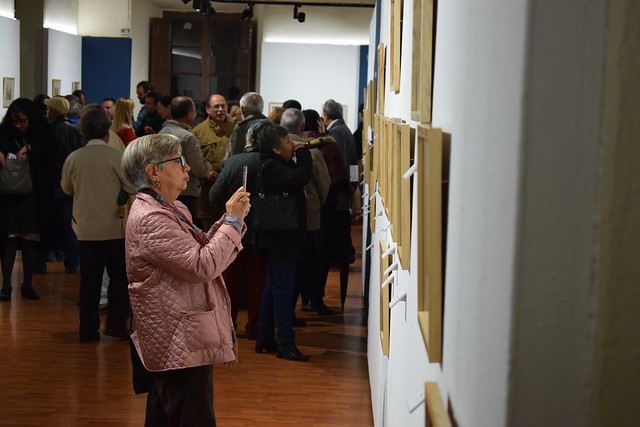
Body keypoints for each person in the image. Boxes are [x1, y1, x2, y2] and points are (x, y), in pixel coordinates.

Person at [122, 133, 250, 425]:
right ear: (153, 172)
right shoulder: (152, 218)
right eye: (178, 160)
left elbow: (201, 249)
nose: (187, 167)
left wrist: (230, 219)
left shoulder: (171, 208)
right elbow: (202, 266)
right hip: (177, 337)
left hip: (180, 334)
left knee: (168, 415)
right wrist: (232, 221)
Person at [61, 109, 135, 343]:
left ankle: (87, 329)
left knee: (89, 281)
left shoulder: (74, 158)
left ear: (83, 132)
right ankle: (116, 325)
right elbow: (132, 187)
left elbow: (67, 188)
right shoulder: (116, 157)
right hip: (114, 227)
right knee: (119, 279)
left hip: (85, 229)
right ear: (107, 131)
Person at [254, 123, 312, 361]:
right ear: (276, 149)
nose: (292, 145)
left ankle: (265, 337)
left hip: (278, 236)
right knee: (282, 290)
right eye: (288, 142)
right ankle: (285, 342)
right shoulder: (272, 166)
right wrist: (304, 152)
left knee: (274, 287)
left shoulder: (274, 163)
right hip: (282, 238)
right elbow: (302, 176)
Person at [210, 119, 271, 340]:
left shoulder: (234, 162)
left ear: (249, 138)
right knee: (258, 285)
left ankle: (228, 327)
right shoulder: (275, 163)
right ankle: (255, 328)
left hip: (235, 230)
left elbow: (215, 196)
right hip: (264, 232)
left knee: (230, 284)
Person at [0, 98, 57, 301]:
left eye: (22, 121)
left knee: (30, 241)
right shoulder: (5, 132)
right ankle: (6, 285)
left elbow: (52, 150)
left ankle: (27, 284)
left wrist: (31, 149)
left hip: (34, 194)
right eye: (15, 122)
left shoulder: (42, 133)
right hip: (9, 195)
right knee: (8, 240)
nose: (18, 126)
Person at [280, 108, 332, 314]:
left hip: (280, 216)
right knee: (306, 262)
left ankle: (286, 312)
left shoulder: (275, 151)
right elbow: (324, 185)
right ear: (302, 126)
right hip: (308, 216)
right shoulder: (313, 153)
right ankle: (303, 301)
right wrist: (317, 203)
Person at [158, 96, 214, 225]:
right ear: (189, 114)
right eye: (194, 111)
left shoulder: (160, 133)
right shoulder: (187, 137)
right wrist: (208, 169)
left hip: (163, 190)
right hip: (186, 191)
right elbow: (198, 168)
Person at [46, 96, 84, 274]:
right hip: (71, 183)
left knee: (52, 221)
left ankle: (51, 255)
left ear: (54, 111)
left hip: (54, 182)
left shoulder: (51, 130)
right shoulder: (75, 130)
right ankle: (72, 261)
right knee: (70, 224)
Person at [193, 94, 236, 229]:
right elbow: (193, 160)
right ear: (207, 109)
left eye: (223, 106)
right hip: (207, 193)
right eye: (216, 106)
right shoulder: (198, 132)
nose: (220, 110)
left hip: (231, 192)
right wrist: (205, 172)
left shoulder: (235, 129)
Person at [227, 92, 267, 156]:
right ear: (262, 108)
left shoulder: (241, 127)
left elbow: (234, 153)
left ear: (242, 109)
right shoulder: (271, 125)